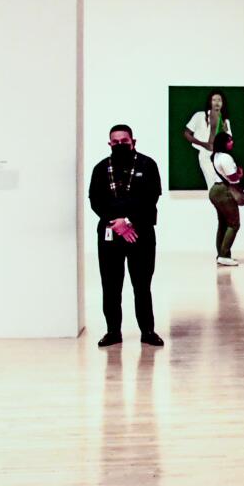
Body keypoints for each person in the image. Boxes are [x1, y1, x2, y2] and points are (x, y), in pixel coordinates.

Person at [88, 124, 164, 347]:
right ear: (110, 144)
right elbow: (95, 200)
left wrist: (129, 221)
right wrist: (118, 224)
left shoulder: (148, 165)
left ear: (133, 142)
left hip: (141, 233)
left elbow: (151, 197)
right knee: (110, 285)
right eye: (116, 142)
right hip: (110, 234)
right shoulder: (101, 168)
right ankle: (113, 331)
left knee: (142, 284)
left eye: (125, 141)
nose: (120, 145)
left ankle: (147, 331)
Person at [207, 130, 244, 266]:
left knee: (223, 223)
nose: (232, 142)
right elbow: (233, 178)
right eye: (229, 140)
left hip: (215, 191)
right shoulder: (226, 158)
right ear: (223, 143)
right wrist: (239, 174)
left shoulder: (216, 156)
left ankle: (222, 254)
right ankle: (224, 254)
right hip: (224, 191)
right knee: (234, 223)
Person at [183, 89, 231, 189]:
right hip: (205, 154)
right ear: (210, 102)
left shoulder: (225, 121)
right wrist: (203, 144)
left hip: (219, 156)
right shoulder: (199, 115)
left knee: (224, 185)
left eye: (219, 100)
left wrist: (225, 132)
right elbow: (186, 133)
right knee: (213, 185)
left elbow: (229, 142)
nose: (217, 102)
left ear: (223, 103)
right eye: (214, 100)